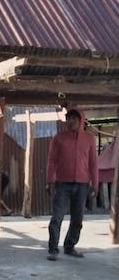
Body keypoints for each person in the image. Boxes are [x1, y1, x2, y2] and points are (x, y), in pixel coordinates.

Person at [46, 109, 98, 261]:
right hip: (62, 184)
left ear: (81, 120)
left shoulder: (89, 138)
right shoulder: (59, 138)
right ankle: (53, 250)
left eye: (75, 118)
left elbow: (93, 163)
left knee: (77, 219)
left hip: (82, 185)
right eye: (69, 118)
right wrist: (49, 181)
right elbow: (52, 161)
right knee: (57, 218)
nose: (71, 121)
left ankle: (69, 246)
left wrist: (95, 184)